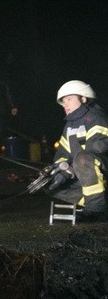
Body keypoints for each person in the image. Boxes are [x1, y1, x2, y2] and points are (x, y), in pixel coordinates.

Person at [41, 80, 107, 221]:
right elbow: (62, 155)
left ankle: (96, 210)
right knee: (51, 184)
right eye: (63, 101)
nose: (65, 104)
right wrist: (57, 171)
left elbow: (97, 150)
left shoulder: (97, 118)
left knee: (83, 159)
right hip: (83, 171)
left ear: (83, 98)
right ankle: (100, 202)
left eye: (69, 99)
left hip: (101, 169)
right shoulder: (70, 125)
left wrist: (70, 170)